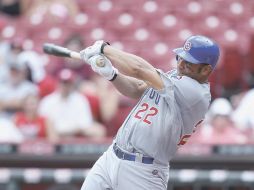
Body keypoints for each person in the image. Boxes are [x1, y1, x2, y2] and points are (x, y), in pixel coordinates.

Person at [79, 35, 220, 190]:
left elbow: (139, 70)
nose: (181, 64)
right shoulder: (175, 76)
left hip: (143, 172)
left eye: (189, 63)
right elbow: (137, 88)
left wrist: (104, 48)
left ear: (206, 69)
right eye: (180, 58)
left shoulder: (196, 93)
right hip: (111, 156)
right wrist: (111, 74)